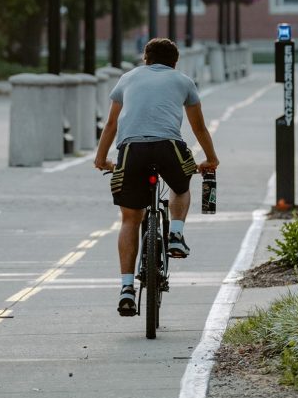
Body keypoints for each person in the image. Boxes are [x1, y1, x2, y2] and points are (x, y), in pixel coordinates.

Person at [93, 37, 220, 317]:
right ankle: (175, 233)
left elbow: (111, 123)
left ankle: (127, 288)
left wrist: (101, 158)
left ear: (145, 59)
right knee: (181, 183)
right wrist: (210, 159)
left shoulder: (127, 79)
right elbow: (198, 127)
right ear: (175, 62)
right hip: (168, 147)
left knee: (130, 218)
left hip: (131, 150)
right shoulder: (183, 80)